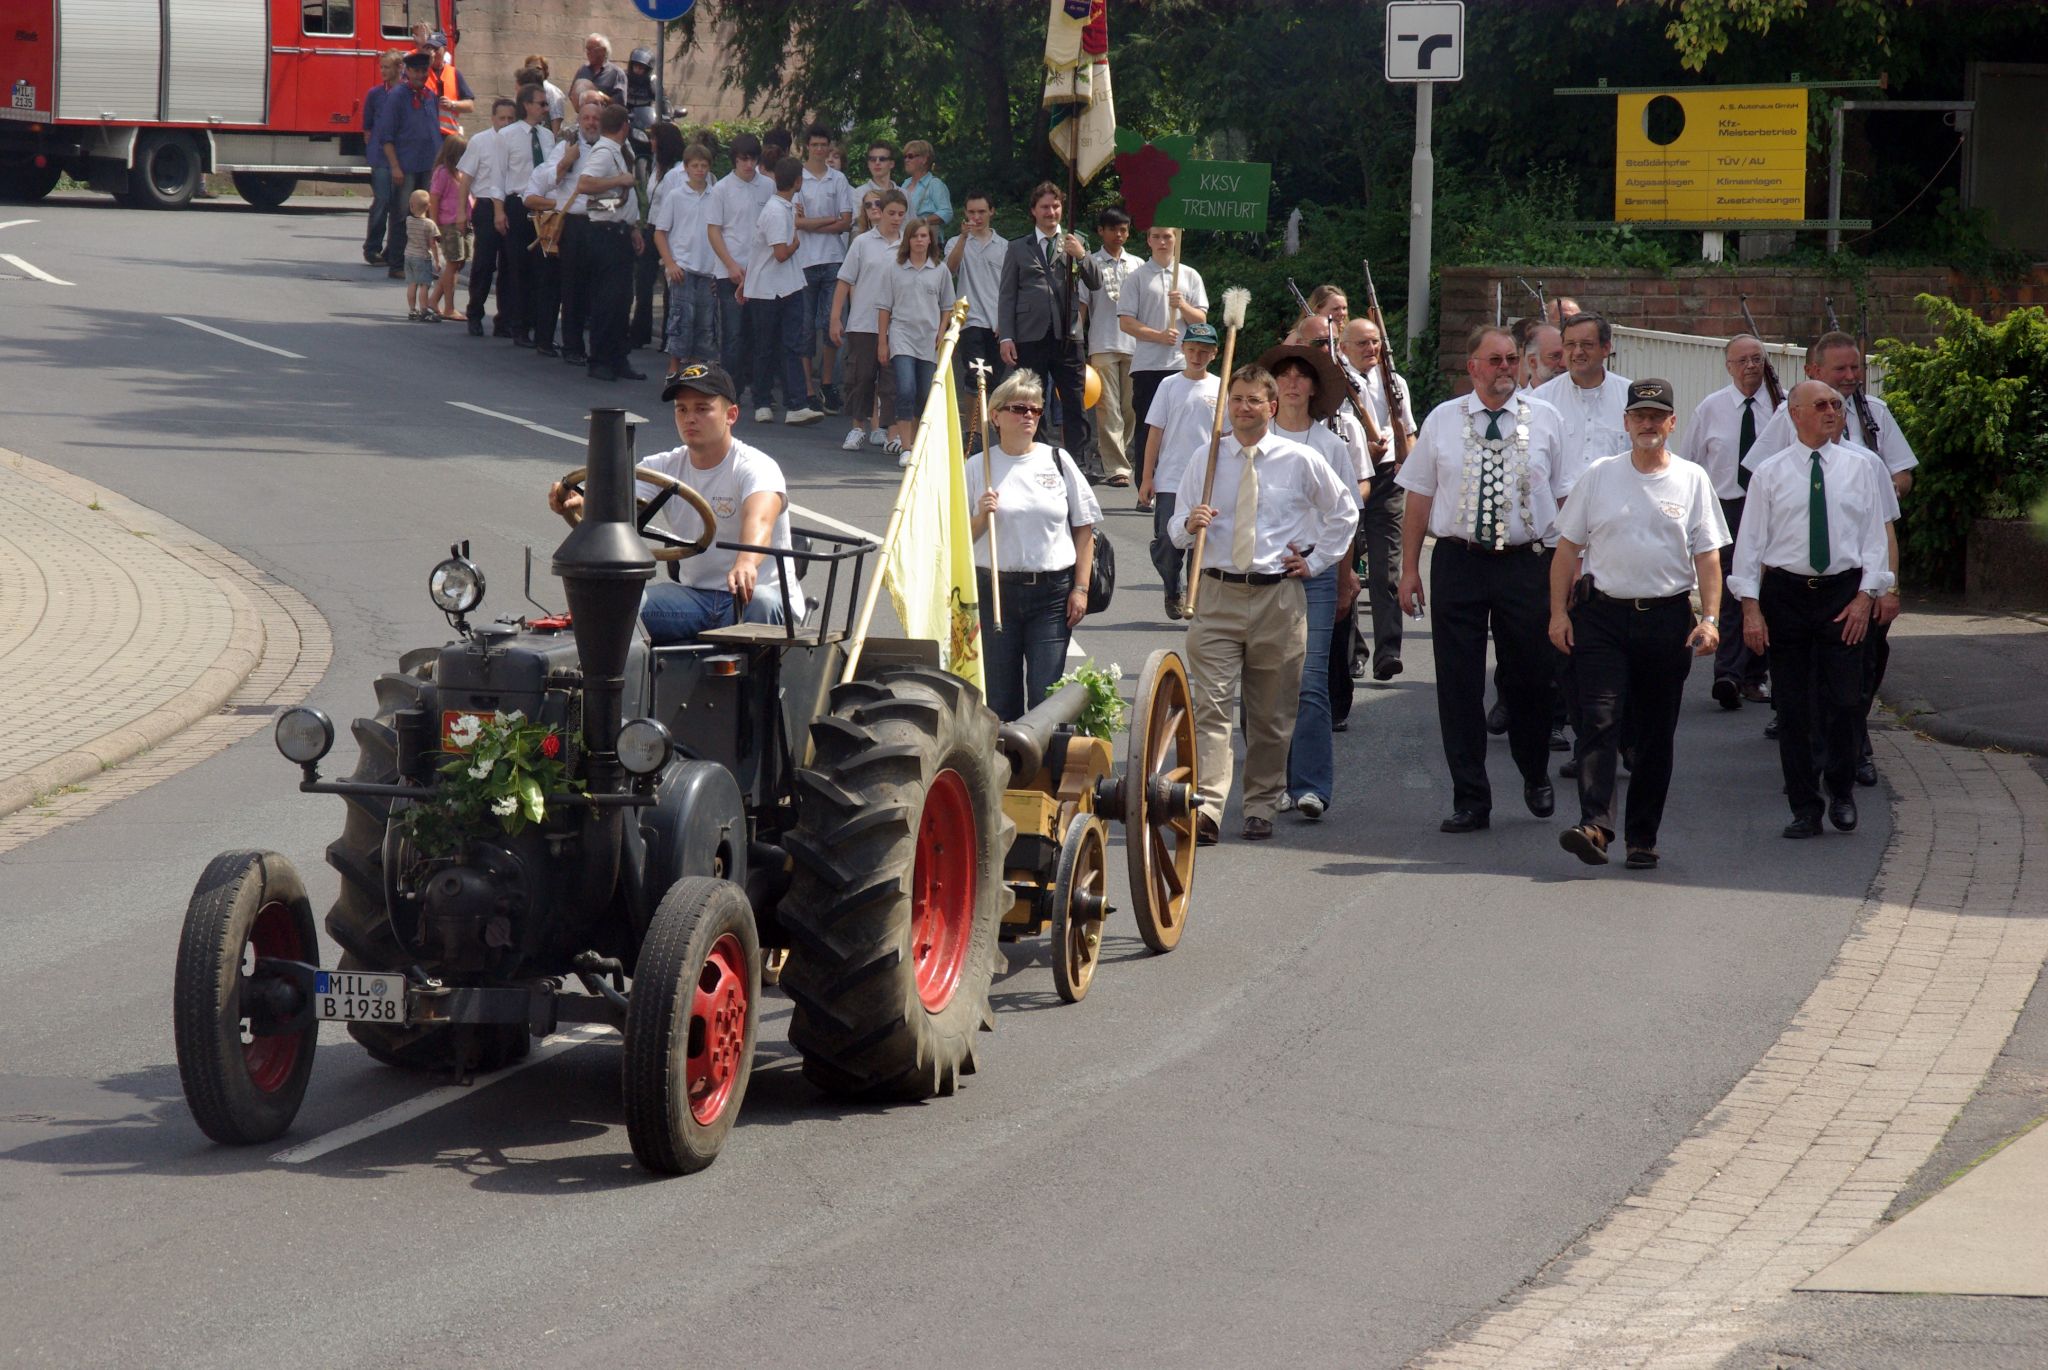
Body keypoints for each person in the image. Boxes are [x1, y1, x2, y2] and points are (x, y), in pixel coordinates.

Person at [1170, 366, 1358, 843]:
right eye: (1236, 399)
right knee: (1211, 708)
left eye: (1253, 400)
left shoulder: (1300, 459)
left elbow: (1344, 512)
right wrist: (1189, 524)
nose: (1243, 408)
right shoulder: (1207, 458)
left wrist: (1317, 562)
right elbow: (1174, 528)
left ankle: (1260, 805)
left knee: (1271, 715)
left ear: (1271, 407)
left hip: (1278, 598)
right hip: (1216, 594)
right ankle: (1208, 807)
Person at [1550, 379, 1729, 869]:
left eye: (1657, 416)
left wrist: (1710, 619)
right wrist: (1558, 614)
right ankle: (1594, 825)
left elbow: (1708, 556)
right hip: (1603, 617)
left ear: (1672, 423)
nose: (1648, 424)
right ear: (1626, 423)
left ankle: (1642, 837)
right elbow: (1567, 549)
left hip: (1667, 620)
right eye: (1639, 415)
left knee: (1654, 734)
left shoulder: (1692, 479)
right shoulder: (1599, 476)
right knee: (1599, 720)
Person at [1396, 325, 1566, 834]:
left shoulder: (1546, 418)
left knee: (1531, 676)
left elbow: (1564, 498)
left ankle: (1534, 770)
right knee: (1458, 683)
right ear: (1472, 367)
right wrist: (1408, 569)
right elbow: (1419, 495)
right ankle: (1471, 797)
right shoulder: (1443, 420)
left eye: (1511, 359)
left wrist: (1570, 570)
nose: (1505, 369)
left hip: (1526, 562)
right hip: (1460, 560)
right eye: (1494, 360)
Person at [1744, 331, 1915, 784]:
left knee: (1853, 683)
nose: (1851, 377)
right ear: (1813, 372)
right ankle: (1808, 776)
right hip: (1792, 585)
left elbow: (1884, 524)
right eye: (1841, 369)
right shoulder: (1785, 430)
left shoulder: (1869, 443)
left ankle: (1851, 753)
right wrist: (1752, 601)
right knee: (1801, 690)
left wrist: (1886, 586)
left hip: (1853, 581)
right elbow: (1760, 505)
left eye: (1856, 368)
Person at [1728, 381, 1896, 839]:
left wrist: (1866, 596)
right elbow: (1750, 546)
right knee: (1794, 706)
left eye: (1836, 405)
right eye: (1820, 404)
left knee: (1845, 700)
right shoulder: (1770, 473)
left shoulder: (1862, 468)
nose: (1831, 411)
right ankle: (1804, 806)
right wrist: (1751, 609)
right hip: (1787, 594)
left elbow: (1874, 540)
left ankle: (1841, 789)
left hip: (1843, 594)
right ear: (1795, 413)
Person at [549, 362, 806, 642]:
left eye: (702, 409)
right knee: (615, 606)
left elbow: (760, 520)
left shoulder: (756, 466)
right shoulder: (662, 466)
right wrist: (579, 500)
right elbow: (613, 497)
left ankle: (760, 671)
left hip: (752, 597)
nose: (689, 418)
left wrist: (746, 562)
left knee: (763, 602)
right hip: (694, 598)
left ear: (731, 415)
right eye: (682, 409)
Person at [1260, 345, 1370, 822]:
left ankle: (1310, 785)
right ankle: (1271, 782)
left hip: (1317, 573)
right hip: (1262, 575)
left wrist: (1343, 575)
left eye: (1301, 376)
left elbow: (1347, 517)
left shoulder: (1330, 445)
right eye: (1283, 375)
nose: (1291, 383)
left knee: (1310, 679)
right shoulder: (1251, 439)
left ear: (1313, 388)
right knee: (1266, 681)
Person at [968, 371, 1103, 721]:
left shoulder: (1057, 460)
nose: (1028, 415)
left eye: (1035, 409)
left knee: (1046, 699)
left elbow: (1084, 527)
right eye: (1018, 408)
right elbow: (958, 540)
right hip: (995, 593)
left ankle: (1043, 758)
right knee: (1000, 702)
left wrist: (1081, 589)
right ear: (995, 416)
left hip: (1052, 595)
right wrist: (982, 516)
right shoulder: (977, 467)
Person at [1674, 333, 1779, 709]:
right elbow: (1689, 460)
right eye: (1742, 360)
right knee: (1733, 588)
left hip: (1772, 508)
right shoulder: (1711, 408)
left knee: (1766, 590)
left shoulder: (1783, 406)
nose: (1751, 366)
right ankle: (1728, 675)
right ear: (1728, 366)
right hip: (1727, 507)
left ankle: (1755, 675)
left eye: (1757, 358)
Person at [998, 182, 1101, 463]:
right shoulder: (1017, 247)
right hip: (1029, 334)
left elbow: (1096, 282)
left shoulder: (1075, 241)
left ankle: (1078, 461)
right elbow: (1007, 295)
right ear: (1034, 210)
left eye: (1056, 206)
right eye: (1044, 207)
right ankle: (1038, 458)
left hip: (1068, 333)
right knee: (1032, 399)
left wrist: (1082, 255)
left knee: (1075, 400)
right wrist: (1006, 336)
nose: (1051, 212)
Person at [1338, 315, 1416, 682]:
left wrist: (1409, 463)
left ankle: (1388, 651)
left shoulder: (1394, 381)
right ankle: (1353, 651)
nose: (1371, 348)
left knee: (1386, 569)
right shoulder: (1336, 382)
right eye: (1362, 343)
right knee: (1346, 569)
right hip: (1348, 478)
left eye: (1375, 342)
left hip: (1387, 478)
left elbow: (1408, 430)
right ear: (1343, 348)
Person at [1138, 322, 1220, 620]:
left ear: (1214, 353)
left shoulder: (1221, 387)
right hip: (1171, 479)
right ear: (1183, 349)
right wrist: (1147, 477)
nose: (1197, 356)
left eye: (1204, 351)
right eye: (1192, 349)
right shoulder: (1169, 385)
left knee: (1202, 542)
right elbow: (1155, 432)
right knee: (1168, 541)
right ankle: (1172, 588)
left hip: (1207, 480)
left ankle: (1194, 598)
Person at [743, 156, 821, 423]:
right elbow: (780, 254)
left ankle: (791, 403)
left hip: (783, 286)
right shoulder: (777, 211)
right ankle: (765, 401)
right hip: (770, 289)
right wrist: (796, 244)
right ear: (798, 181)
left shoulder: (783, 207)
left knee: (782, 345)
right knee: (772, 346)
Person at [573, 104, 645, 383]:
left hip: (618, 231)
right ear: (625, 126)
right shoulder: (604, 152)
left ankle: (618, 357)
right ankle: (600, 359)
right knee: (607, 299)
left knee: (622, 300)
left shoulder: (618, 151)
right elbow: (585, 184)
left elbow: (613, 203)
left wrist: (632, 227)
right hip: (605, 234)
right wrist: (619, 179)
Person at [1119, 225, 1209, 448]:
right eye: (1156, 237)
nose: (1162, 242)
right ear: (1148, 240)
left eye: (1167, 237)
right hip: (1148, 366)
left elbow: (1201, 322)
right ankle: (1145, 471)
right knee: (1147, 431)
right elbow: (1126, 322)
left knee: (1180, 431)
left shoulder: (1190, 275)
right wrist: (1158, 336)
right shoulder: (1136, 277)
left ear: (1176, 239)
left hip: (1182, 365)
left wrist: (1183, 305)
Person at [831, 189, 907, 452]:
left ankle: (892, 434)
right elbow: (844, 280)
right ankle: (857, 428)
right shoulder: (862, 242)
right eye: (891, 213)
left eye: (901, 214)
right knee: (861, 376)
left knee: (891, 380)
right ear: (880, 212)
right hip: (863, 320)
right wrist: (835, 318)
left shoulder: (907, 245)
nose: (896, 219)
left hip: (897, 324)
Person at [877, 218, 955, 458]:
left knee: (924, 394)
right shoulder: (894, 268)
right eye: (915, 236)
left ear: (930, 240)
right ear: (908, 240)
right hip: (901, 335)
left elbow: (947, 305)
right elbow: (884, 307)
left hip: (929, 338)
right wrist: (882, 342)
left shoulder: (940, 270)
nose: (919, 240)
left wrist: (942, 331)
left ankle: (919, 443)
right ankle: (905, 446)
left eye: (924, 236)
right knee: (906, 388)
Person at [706, 132, 770, 410]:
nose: (748, 165)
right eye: (743, 159)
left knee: (759, 335)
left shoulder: (768, 186)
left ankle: (760, 393)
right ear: (734, 159)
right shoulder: (721, 189)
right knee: (733, 335)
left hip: (761, 272)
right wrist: (731, 265)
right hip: (729, 272)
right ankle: (730, 391)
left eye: (753, 159)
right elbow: (714, 231)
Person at [794, 124, 855, 416]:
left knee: (832, 325)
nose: (819, 150)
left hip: (833, 258)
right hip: (804, 260)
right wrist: (828, 220)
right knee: (805, 327)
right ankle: (808, 387)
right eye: (815, 144)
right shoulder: (798, 177)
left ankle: (827, 383)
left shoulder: (838, 179)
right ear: (807, 146)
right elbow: (796, 221)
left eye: (823, 145)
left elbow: (846, 222)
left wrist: (813, 223)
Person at [1079, 206, 1137, 488]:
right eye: (1113, 229)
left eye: (1123, 229)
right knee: (1109, 409)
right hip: (1102, 343)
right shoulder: (1089, 263)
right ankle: (1116, 467)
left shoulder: (1138, 264)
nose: (1119, 235)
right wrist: (1075, 342)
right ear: (1101, 231)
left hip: (1135, 345)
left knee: (1130, 408)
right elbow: (1082, 306)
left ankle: (1119, 455)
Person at [372, 51, 443, 279]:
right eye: (417, 71)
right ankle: (397, 263)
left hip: (428, 164)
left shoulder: (429, 96)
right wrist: (395, 166)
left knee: (425, 217)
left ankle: (422, 262)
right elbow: (386, 136)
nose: (421, 75)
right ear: (408, 71)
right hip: (406, 165)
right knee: (402, 214)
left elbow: (434, 132)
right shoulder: (397, 96)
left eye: (424, 71)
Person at [654, 141, 718, 379]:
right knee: (681, 320)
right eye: (695, 166)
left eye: (704, 166)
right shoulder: (676, 196)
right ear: (687, 168)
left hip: (708, 269)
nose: (700, 170)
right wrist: (670, 263)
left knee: (705, 323)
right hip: (683, 268)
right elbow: (660, 232)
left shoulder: (716, 196)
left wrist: (719, 270)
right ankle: (673, 369)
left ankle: (694, 372)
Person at [945, 189, 1008, 432]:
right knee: (975, 376)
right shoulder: (955, 242)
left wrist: (1006, 320)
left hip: (997, 321)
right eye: (971, 212)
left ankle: (984, 428)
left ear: (992, 212)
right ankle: (974, 432)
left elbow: (1009, 287)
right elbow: (949, 270)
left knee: (993, 379)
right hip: (970, 320)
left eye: (981, 211)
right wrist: (963, 237)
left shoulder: (1004, 246)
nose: (977, 217)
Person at [551, 93, 605, 366]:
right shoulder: (567, 146)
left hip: (602, 223)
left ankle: (598, 350)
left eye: (596, 118)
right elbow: (545, 180)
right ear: (579, 121)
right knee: (573, 288)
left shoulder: (610, 148)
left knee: (598, 289)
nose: (591, 123)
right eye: (587, 118)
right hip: (574, 224)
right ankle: (572, 346)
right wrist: (565, 162)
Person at [455, 99, 515, 337]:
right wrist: (462, 212)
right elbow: (466, 179)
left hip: (511, 205)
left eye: (511, 118)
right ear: (493, 119)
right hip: (486, 205)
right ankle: (475, 313)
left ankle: (505, 319)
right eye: (502, 118)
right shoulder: (480, 141)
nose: (506, 123)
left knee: (509, 265)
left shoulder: (517, 142)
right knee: (484, 263)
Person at [519, 128, 580, 356]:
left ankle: (564, 342)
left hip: (574, 233)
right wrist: (557, 204)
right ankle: (543, 339)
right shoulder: (544, 170)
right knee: (549, 288)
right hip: (551, 235)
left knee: (570, 289)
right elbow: (529, 198)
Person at [361, 51, 405, 266]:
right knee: (382, 200)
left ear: (399, 68)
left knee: (399, 205)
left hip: (403, 157)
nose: (383, 71)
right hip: (380, 157)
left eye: (387, 67)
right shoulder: (375, 94)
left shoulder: (406, 93)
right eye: (381, 67)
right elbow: (367, 127)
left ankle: (393, 250)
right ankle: (372, 248)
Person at [426, 134, 469, 321]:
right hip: (448, 223)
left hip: (462, 223)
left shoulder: (462, 173)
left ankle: (434, 300)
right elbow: (434, 198)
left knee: (457, 263)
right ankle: (449, 307)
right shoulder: (443, 172)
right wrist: (435, 225)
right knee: (453, 263)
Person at [400, 188, 442, 321]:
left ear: (411, 206)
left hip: (408, 255)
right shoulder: (429, 224)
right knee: (424, 284)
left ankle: (412, 309)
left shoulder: (408, 220)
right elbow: (433, 244)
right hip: (422, 257)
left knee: (412, 284)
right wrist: (437, 260)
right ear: (428, 206)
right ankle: (424, 309)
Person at [421, 32, 472, 138]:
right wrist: (426, 64)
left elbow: (470, 106)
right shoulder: (421, 72)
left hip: (449, 135)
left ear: (444, 50)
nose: (432, 53)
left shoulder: (454, 73)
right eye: (429, 48)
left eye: (435, 49)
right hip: (426, 134)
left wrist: (452, 104)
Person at [572, 34, 628, 108]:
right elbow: (572, 95)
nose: (588, 52)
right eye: (587, 49)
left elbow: (620, 104)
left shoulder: (616, 73)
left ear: (603, 51)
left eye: (591, 49)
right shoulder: (582, 70)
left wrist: (599, 96)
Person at [519, 55, 566, 133]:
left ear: (545, 71)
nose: (534, 71)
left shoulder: (551, 91)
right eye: (530, 68)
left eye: (538, 68)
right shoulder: (525, 91)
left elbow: (556, 119)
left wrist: (553, 139)